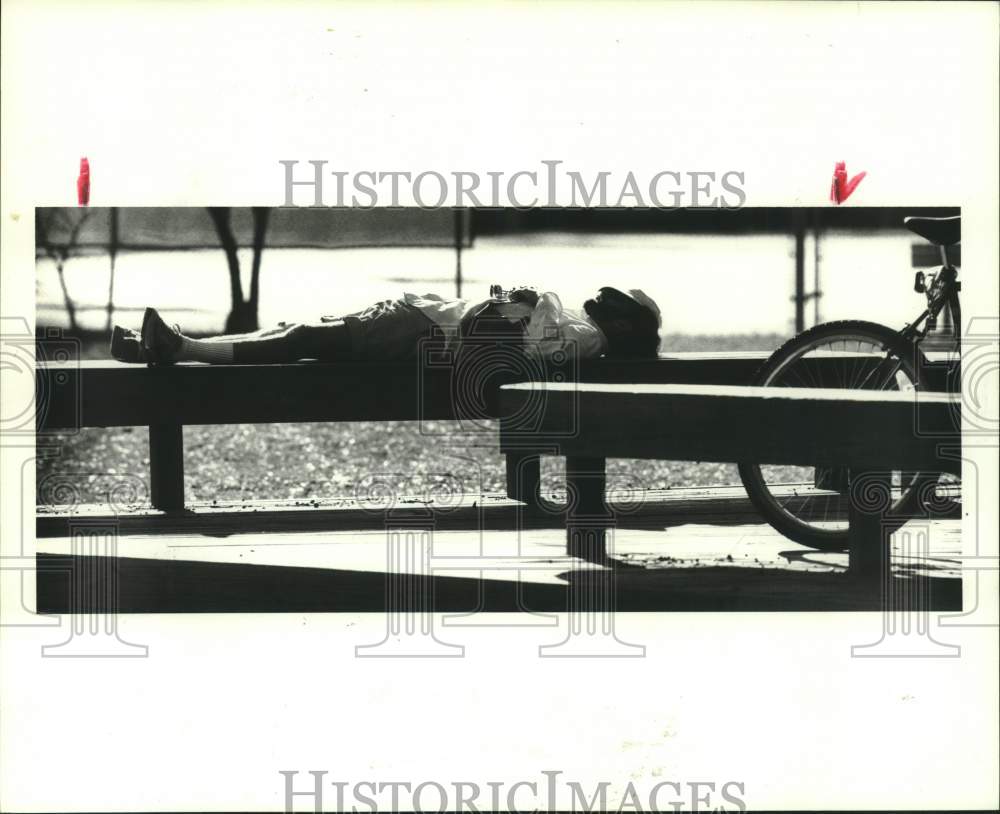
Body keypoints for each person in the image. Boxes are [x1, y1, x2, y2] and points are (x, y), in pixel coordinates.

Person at [110, 286, 661, 365]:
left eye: (613, 302)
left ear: (625, 325)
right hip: (423, 321)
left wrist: (519, 303)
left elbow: (526, 348)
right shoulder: (587, 333)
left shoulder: (590, 339)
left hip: (425, 332)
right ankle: (162, 346)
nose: (600, 300)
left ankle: (176, 347)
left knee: (300, 339)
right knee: (292, 330)